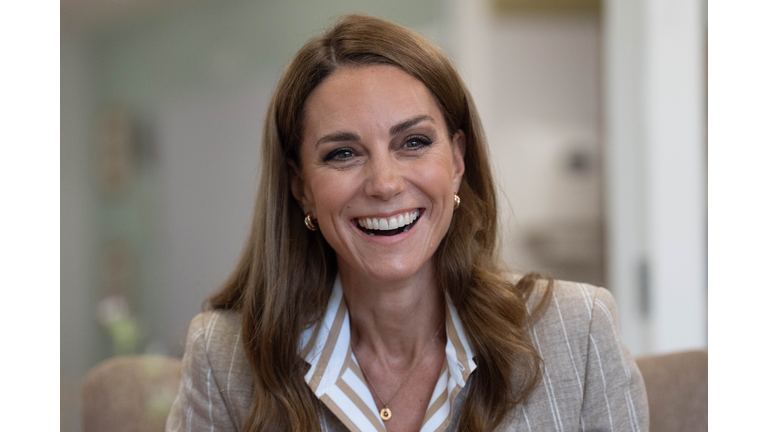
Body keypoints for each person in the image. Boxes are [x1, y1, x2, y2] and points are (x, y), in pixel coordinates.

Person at [166, 14, 648, 432]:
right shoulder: (223, 357)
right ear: (301, 187)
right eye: (343, 153)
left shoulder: (577, 330)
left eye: (413, 142)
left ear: (458, 159)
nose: (384, 183)